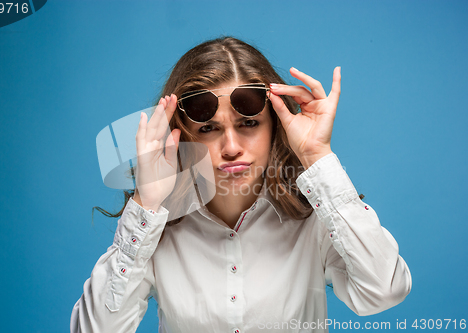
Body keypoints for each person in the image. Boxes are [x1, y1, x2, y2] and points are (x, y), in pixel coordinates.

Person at [71, 37, 412, 333]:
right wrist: (146, 203)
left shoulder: (314, 222)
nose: (231, 146)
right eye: (208, 128)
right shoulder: (157, 233)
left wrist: (317, 157)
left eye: (248, 123)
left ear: (275, 126)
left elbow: (385, 291)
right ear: (182, 135)